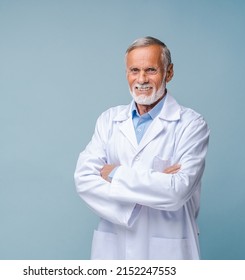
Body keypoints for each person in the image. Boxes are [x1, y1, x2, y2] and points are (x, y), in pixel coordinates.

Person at [74, 36, 210, 260]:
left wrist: (115, 174)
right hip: (114, 245)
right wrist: (156, 182)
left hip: (169, 250)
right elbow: (84, 179)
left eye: (151, 70)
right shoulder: (109, 120)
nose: (142, 79)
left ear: (169, 72)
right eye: (134, 70)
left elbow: (177, 191)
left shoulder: (191, 124)